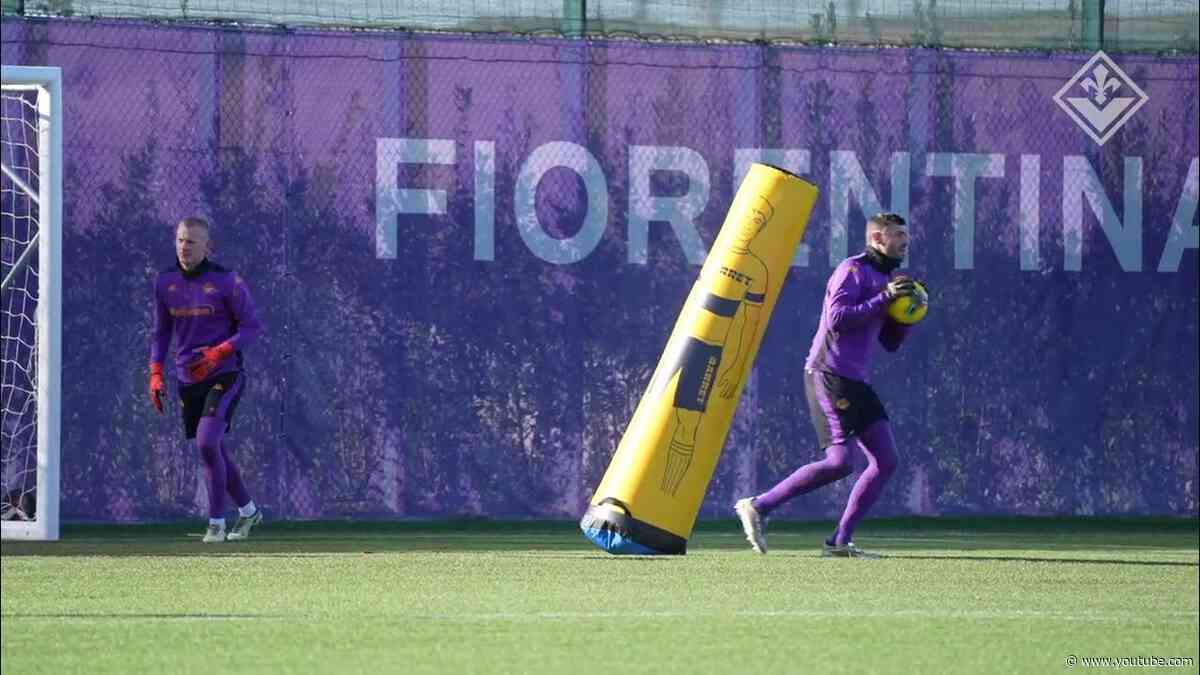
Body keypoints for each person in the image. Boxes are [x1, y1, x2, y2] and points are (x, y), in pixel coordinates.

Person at [734, 212, 926, 558]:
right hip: (828, 374)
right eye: (897, 235)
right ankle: (759, 506)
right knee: (840, 461)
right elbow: (837, 319)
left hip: (857, 381)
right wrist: (884, 298)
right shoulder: (852, 270)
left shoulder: (889, 278)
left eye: (905, 235)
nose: (904, 241)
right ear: (877, 239)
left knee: (886, 460)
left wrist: (910, 313)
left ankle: (840, 542)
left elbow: (890, 342)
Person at [149, 216, 265, 543]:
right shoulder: (164, 283)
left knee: (207, 443)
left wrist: (218, 353)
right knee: (215, 451)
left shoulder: (227, 281)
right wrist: (155, 372)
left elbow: (252, 327)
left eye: (191, 242)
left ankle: (216, 524)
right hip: (188, 377)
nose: (184, 248)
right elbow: (161, 332)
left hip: (225, 374)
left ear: (206, 247)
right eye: (180, 241)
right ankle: (249, 512)